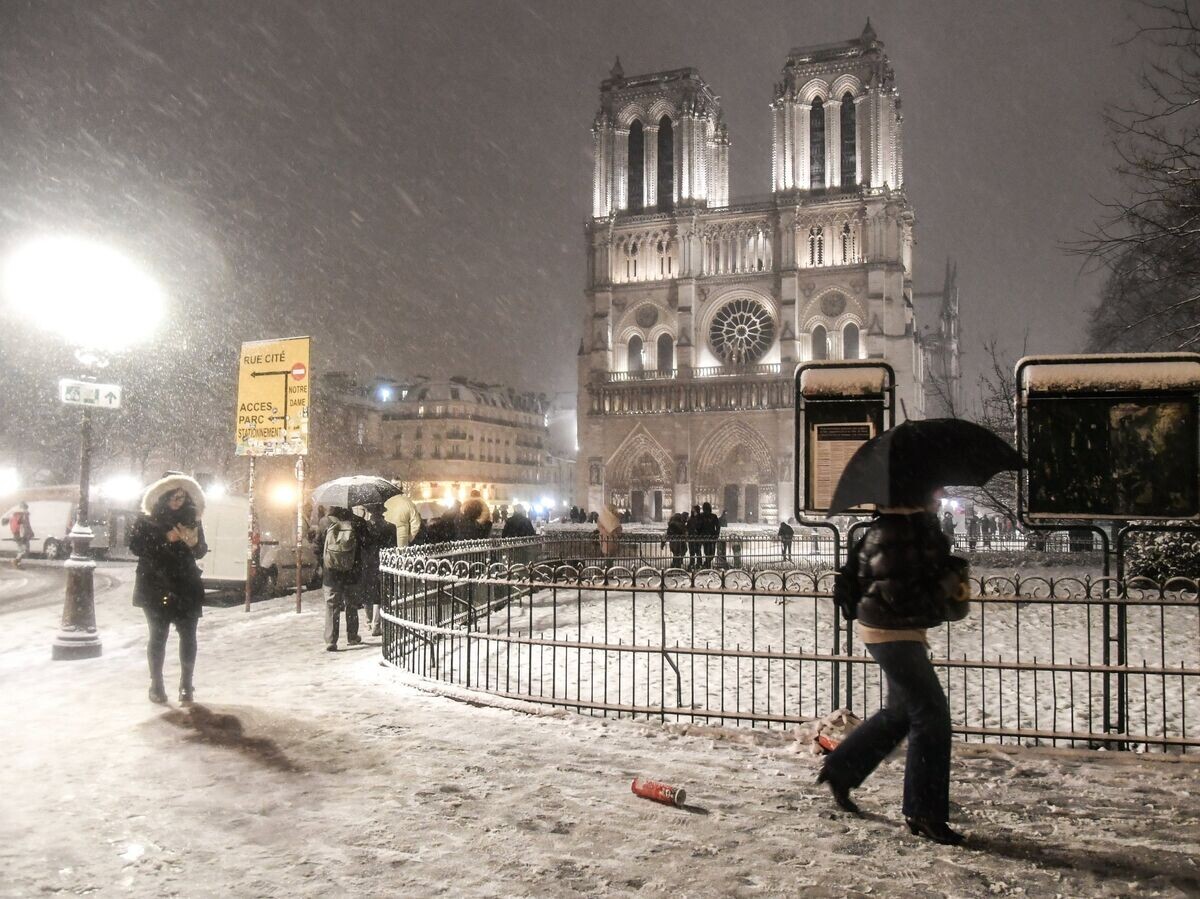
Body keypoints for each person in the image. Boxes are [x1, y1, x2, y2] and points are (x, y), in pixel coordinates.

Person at [817, 487, 970, 846]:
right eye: (933, 494)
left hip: (894, 629)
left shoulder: (905, 530)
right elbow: (899, 593)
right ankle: (924, 812)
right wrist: (943, 583)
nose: (938, 500)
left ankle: (841, 769)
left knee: (900, 712)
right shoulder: (896, 532)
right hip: (892, 630)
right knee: (931, 717)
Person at [128, 474, 208, 705]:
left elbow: (201, 550)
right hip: (155, 584)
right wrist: (166, 538)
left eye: (182, 497)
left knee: (189, 635)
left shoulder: (192, 519)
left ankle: (186, 685)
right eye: (174, 497)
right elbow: (136, 547)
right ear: (163, 496)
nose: (178, 501)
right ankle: (157, 684)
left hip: (185, 584)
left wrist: (194, 544)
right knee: (158, 636)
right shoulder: (147, 520)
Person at [317, 506, 370, 651]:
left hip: (331, 573)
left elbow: (317, 546)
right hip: (352, 571)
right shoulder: (358, 523)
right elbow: (367, 545)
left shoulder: (324, 523)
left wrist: (324, 563)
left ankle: (331, 640)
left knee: (332, 605)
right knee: (351, 604)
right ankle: (352, 636)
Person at [360, 504, 396, 637]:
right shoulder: (390, 527)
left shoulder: (365, 527)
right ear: (382, 512)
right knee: (379, 594)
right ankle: (376, 624)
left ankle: (368, 621)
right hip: (383, 562)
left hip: (367, 563)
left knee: (367, 593)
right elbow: (393, 548)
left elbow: (362, 545)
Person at [7, 502, 33, 568]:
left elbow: (25, 525)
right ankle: (15, 562)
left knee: (22, 550)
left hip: (17, 534)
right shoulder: (23, 515)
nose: (27, 510)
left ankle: (17, 564)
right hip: (21, 535)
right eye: (26, 508)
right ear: (24, 508)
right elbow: (24, 525)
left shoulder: (16, 514)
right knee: (24, 550)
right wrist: (26, 534)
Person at [698, 502, 721, 568]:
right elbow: (698, 526)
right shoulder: (701, 516)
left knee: (711, 553)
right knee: (708, 552)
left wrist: (716, 534)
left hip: (711, 536)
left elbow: (718, 526)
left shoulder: (713, 516)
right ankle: (706, 565)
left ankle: (706, 563)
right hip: (705, 536)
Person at [686, 505, 703, 569]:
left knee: (698, 551)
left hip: (697, 537)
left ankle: (699, 563)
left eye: (694, 510)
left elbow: (700, 527)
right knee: (691, 551)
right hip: (691, 537)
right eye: (693, 510)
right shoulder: (691, 519)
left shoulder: (700, 518)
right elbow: (688, 527)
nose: (693, 511)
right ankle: (692, 563)